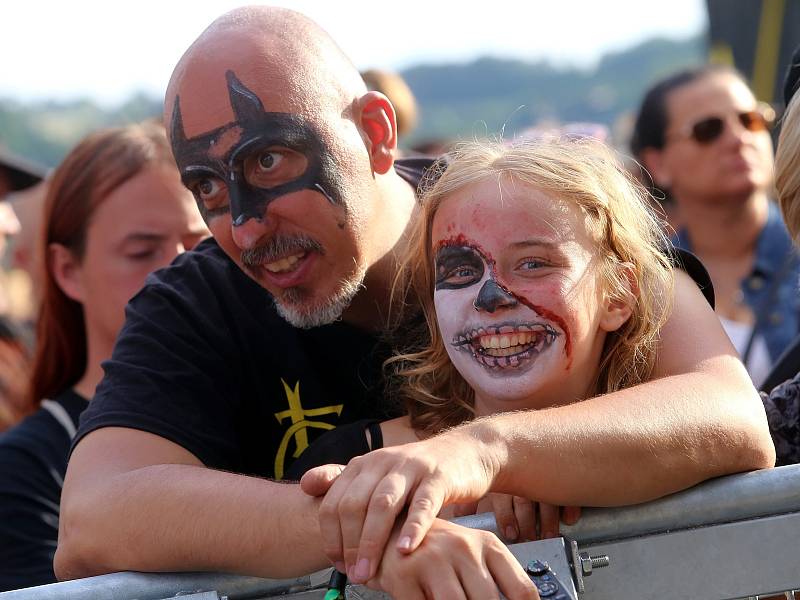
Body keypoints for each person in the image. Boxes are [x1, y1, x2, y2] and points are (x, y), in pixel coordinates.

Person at [56, 7, 774, 598]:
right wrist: (382, 533)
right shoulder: (198, 300)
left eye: (268, 160)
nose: (243, 225)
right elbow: (93, 521)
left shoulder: (519, 210)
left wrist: (492, 453)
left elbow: (730, 416)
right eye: (207, 187)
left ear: (375, 133)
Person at [0, 121, 208, 592]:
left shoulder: (274, 402)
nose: (181, 268)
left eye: (200, 244)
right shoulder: (27, 469)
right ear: (68, 270)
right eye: (141, 251)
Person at [631, 66, 796, 388]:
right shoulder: (642, 290)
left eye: (751, 119)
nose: (740, 138)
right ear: (658, 164)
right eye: (708, 129)